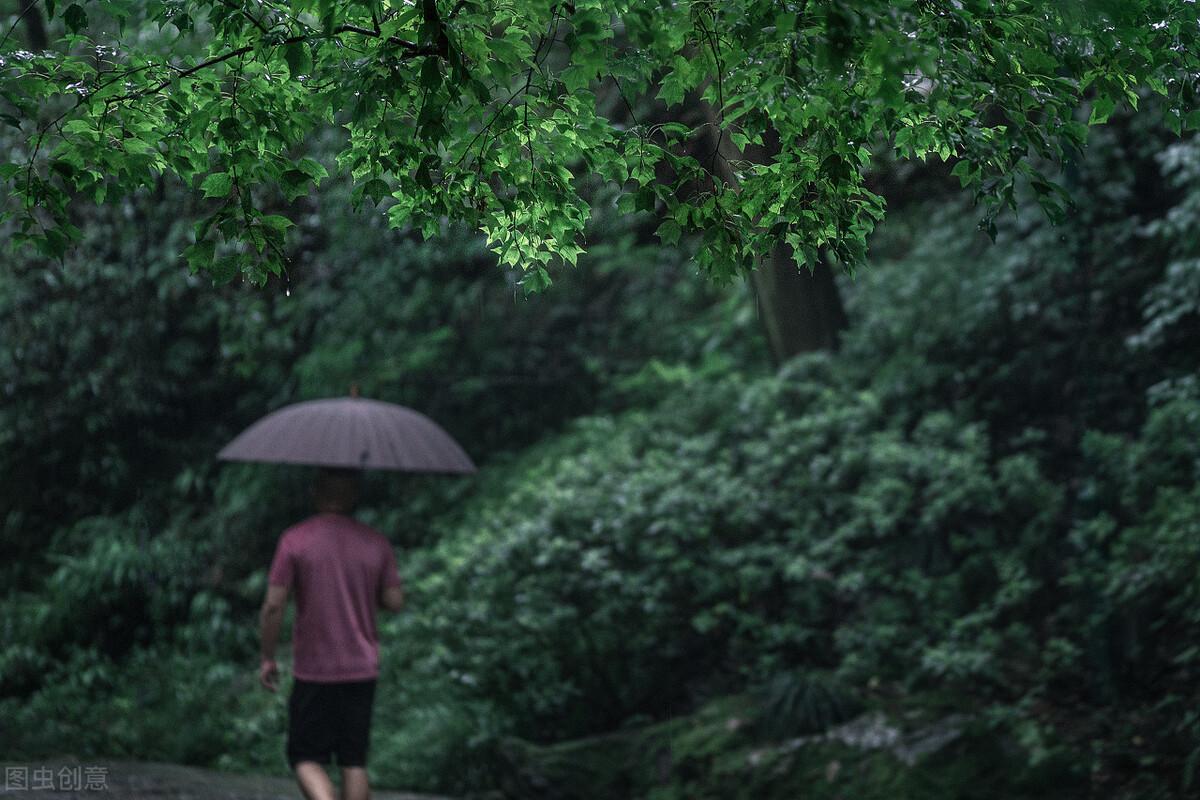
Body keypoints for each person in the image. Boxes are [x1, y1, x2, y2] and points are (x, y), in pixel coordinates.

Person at [258, 467, 405, 800]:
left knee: (306, 756)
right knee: (354, 760)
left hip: (315, 670)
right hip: (361, 668)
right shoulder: (375, 542)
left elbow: (273, 606)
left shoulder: (294, 540)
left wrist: (267, 657)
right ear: (353, 496)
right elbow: (395, 602)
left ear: (316, 492)